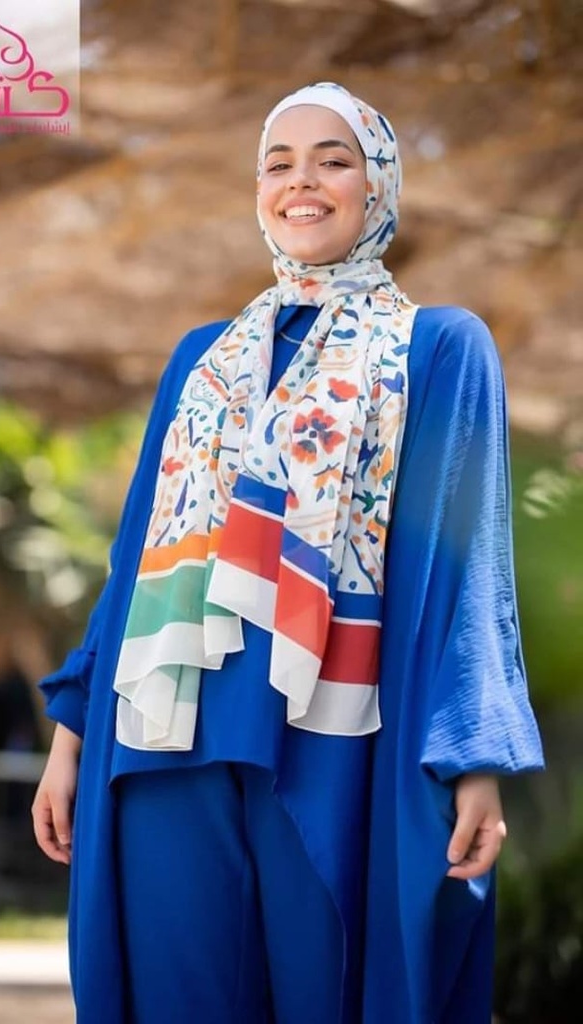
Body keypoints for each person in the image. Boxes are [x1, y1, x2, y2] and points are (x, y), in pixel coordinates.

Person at [32, 83, 543, 1024]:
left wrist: (475, 759)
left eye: (334, 159)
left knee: (335, 992)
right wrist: (70, 738)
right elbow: (138, 550)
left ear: (378, 185)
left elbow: (471, 575)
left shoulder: (440, 348)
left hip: (335, 740)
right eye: (279, 163)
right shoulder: (201, 358)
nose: (301, 182)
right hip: (164, 739)